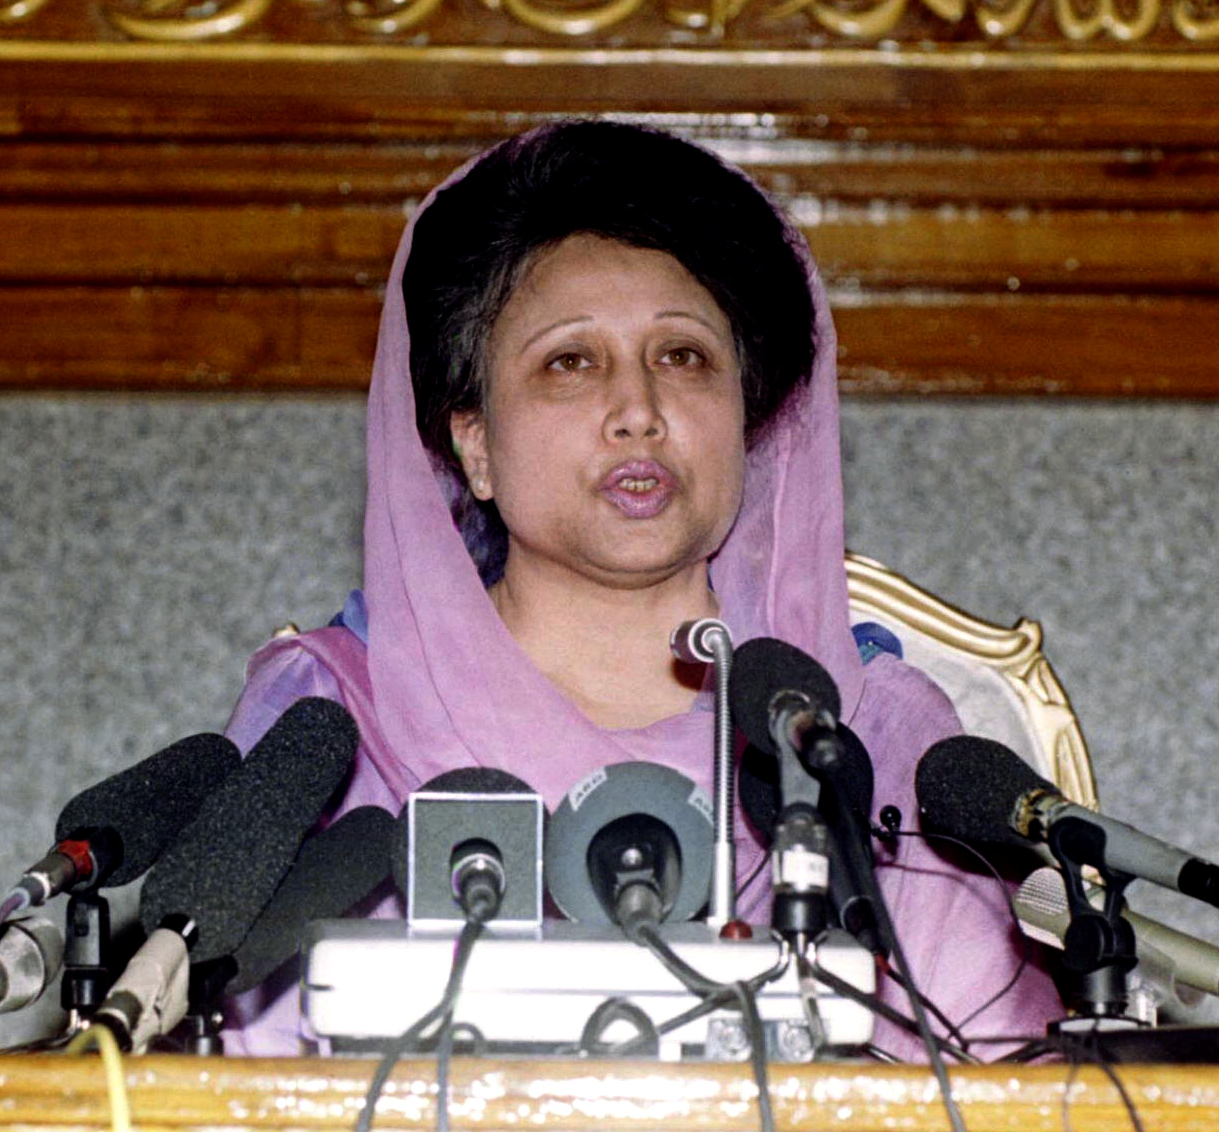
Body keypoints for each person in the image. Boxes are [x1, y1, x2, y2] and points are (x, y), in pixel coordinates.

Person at [222, 120, 1060, 1056]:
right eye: (569, 362)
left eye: (683, 357)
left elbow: (995, 1090)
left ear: (748, 419)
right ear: (475, 443)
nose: (638, 411)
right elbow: (220, 1077)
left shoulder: (864, 742)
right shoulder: (328, 725)